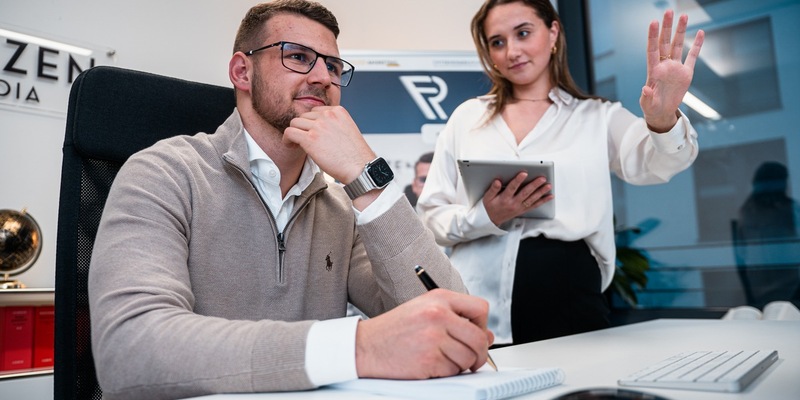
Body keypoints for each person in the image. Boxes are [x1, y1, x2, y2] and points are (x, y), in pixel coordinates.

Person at [87, 1, 493, 399]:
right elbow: (129, 349)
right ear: (242, 71)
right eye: (298, 56)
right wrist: (359, 347)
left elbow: (453, 323)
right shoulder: (164, 173)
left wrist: (367, 178)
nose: (322, 77)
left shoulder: (340, 210)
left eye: (333, 66)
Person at [417, 0, 704, 345]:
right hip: (478, 299)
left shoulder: (597, 117)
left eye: (523, 33)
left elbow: (658, 164)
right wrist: (485, 216)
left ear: (553, 32)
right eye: (498, 42)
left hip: (569, 293)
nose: (512, 51)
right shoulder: (466, 118)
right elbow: (430, 217)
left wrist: (662, 119)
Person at [734, 161, 800, 308]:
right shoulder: (789, 208)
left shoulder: (746, 210)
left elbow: (742, 252)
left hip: (770, 285)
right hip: (783, 285)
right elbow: (742, 251)